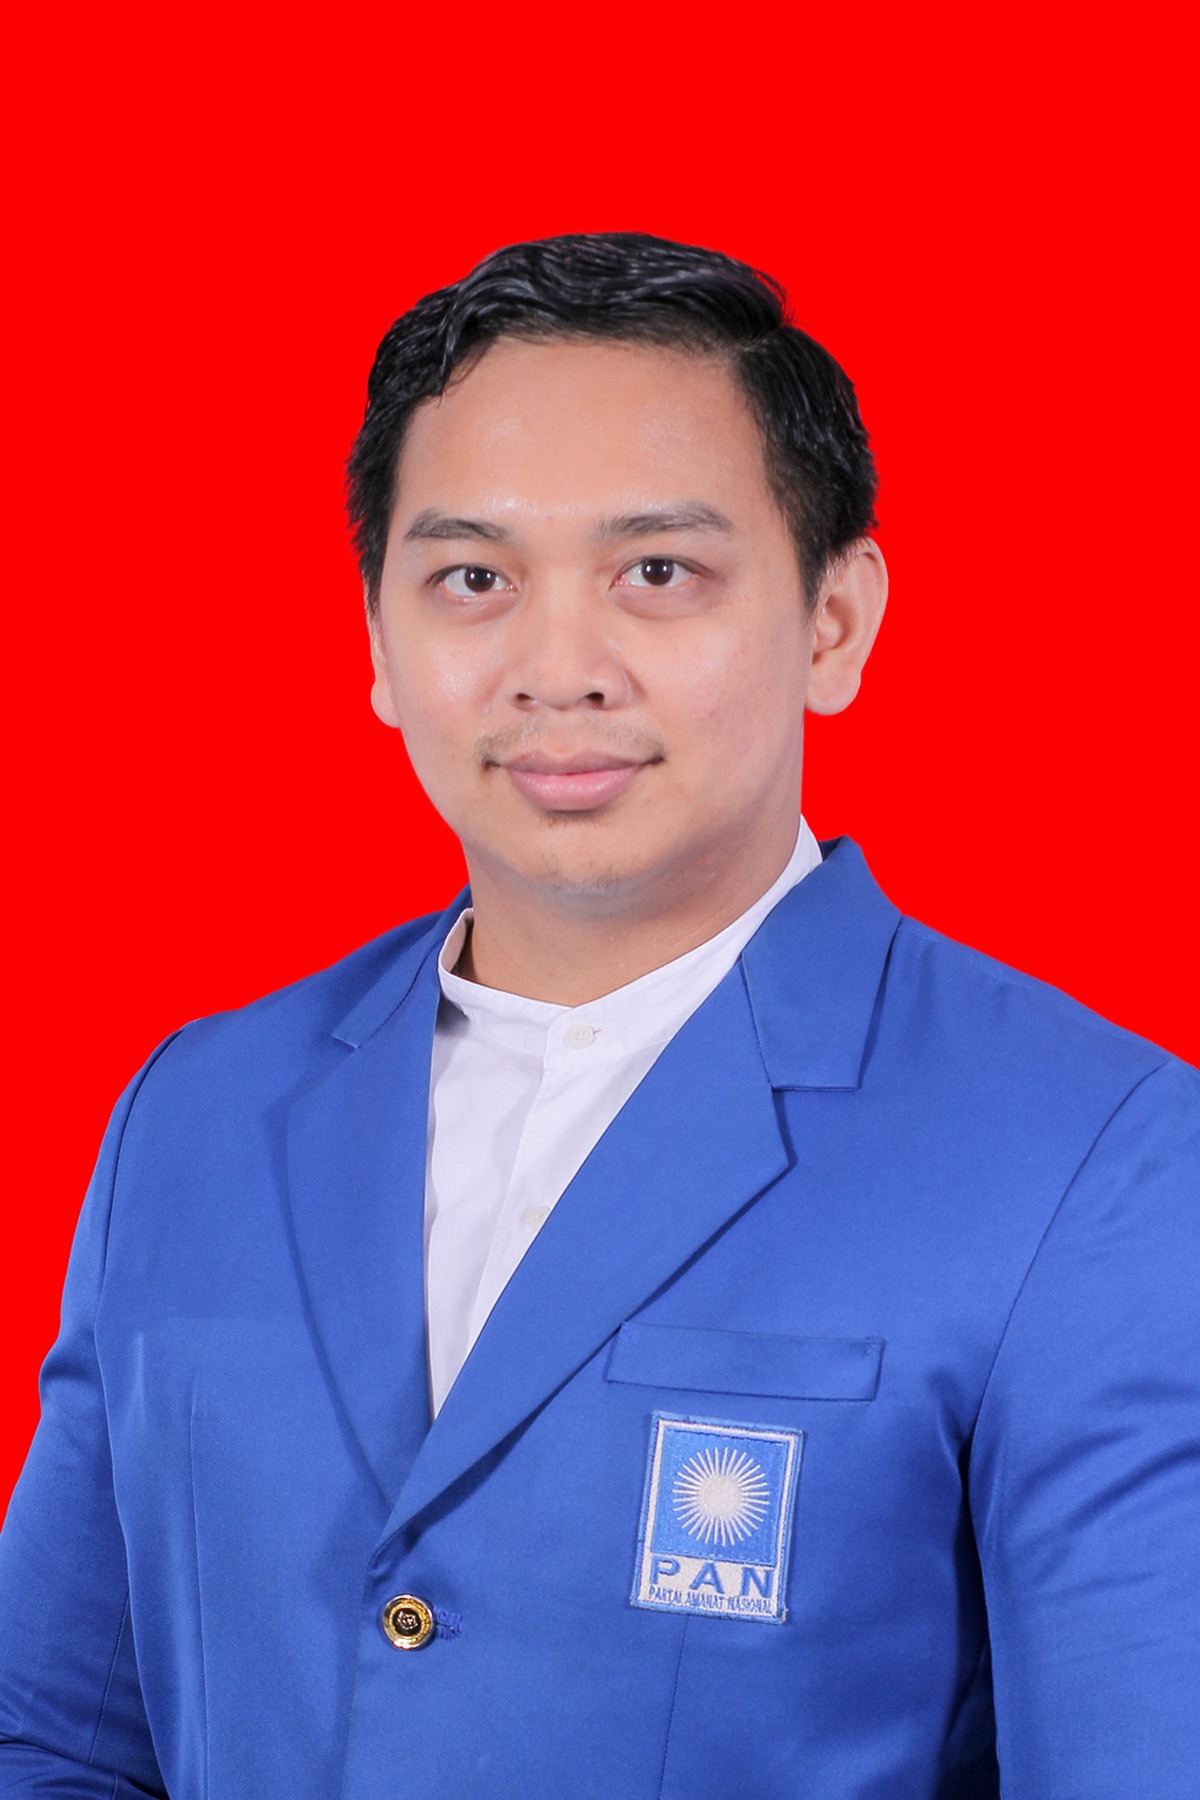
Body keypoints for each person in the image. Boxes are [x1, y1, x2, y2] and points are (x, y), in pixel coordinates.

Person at [0, 233, 1196, 1800]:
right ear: (378, 639)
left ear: (834, 622)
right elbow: (57, 1739)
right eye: (474, 579)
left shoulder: (1094, 1160)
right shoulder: (200, 1112)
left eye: (658, 573)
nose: (557, 671)